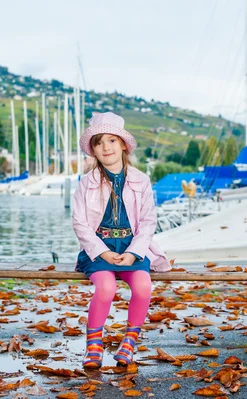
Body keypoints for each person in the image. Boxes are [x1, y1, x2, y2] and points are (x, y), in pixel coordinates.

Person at [72, 112, 171, 369]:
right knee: (106, 288)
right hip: (99, 250)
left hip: (131, 248)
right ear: (93, 150)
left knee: (142, 286)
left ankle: (129, 341)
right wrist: (103, 253)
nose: (106, 147)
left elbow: (148, 221)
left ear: (123, 145)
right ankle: (94, 344)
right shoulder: (86, 183)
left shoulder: (141, 180)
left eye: (112, 140)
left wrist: (134, 252)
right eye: (99, 142)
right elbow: (80, 224)